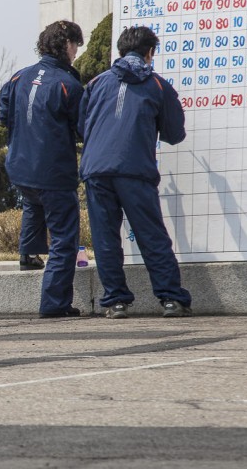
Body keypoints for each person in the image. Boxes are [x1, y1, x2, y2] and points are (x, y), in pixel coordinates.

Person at [79, 25, 192, 319]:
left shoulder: (95, 83)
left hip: (95, 170)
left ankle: (115, 301)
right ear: (150, 52)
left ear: (119, 51)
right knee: (151, 234)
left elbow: (82, 127)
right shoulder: (157, 85)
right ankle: (171, 299)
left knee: (105, 238)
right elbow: (174, 133)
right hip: (134, 168)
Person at [0, 20, 85, 317]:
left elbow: (3, 115)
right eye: (76, 46)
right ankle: (54, 303)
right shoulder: (68, 84)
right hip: (54, 172)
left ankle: (28, 254)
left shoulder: (17, 77)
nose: (76, 53)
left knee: (33, 202)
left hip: (19, 167)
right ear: (66, 45)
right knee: (64, 237)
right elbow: (83, 128)